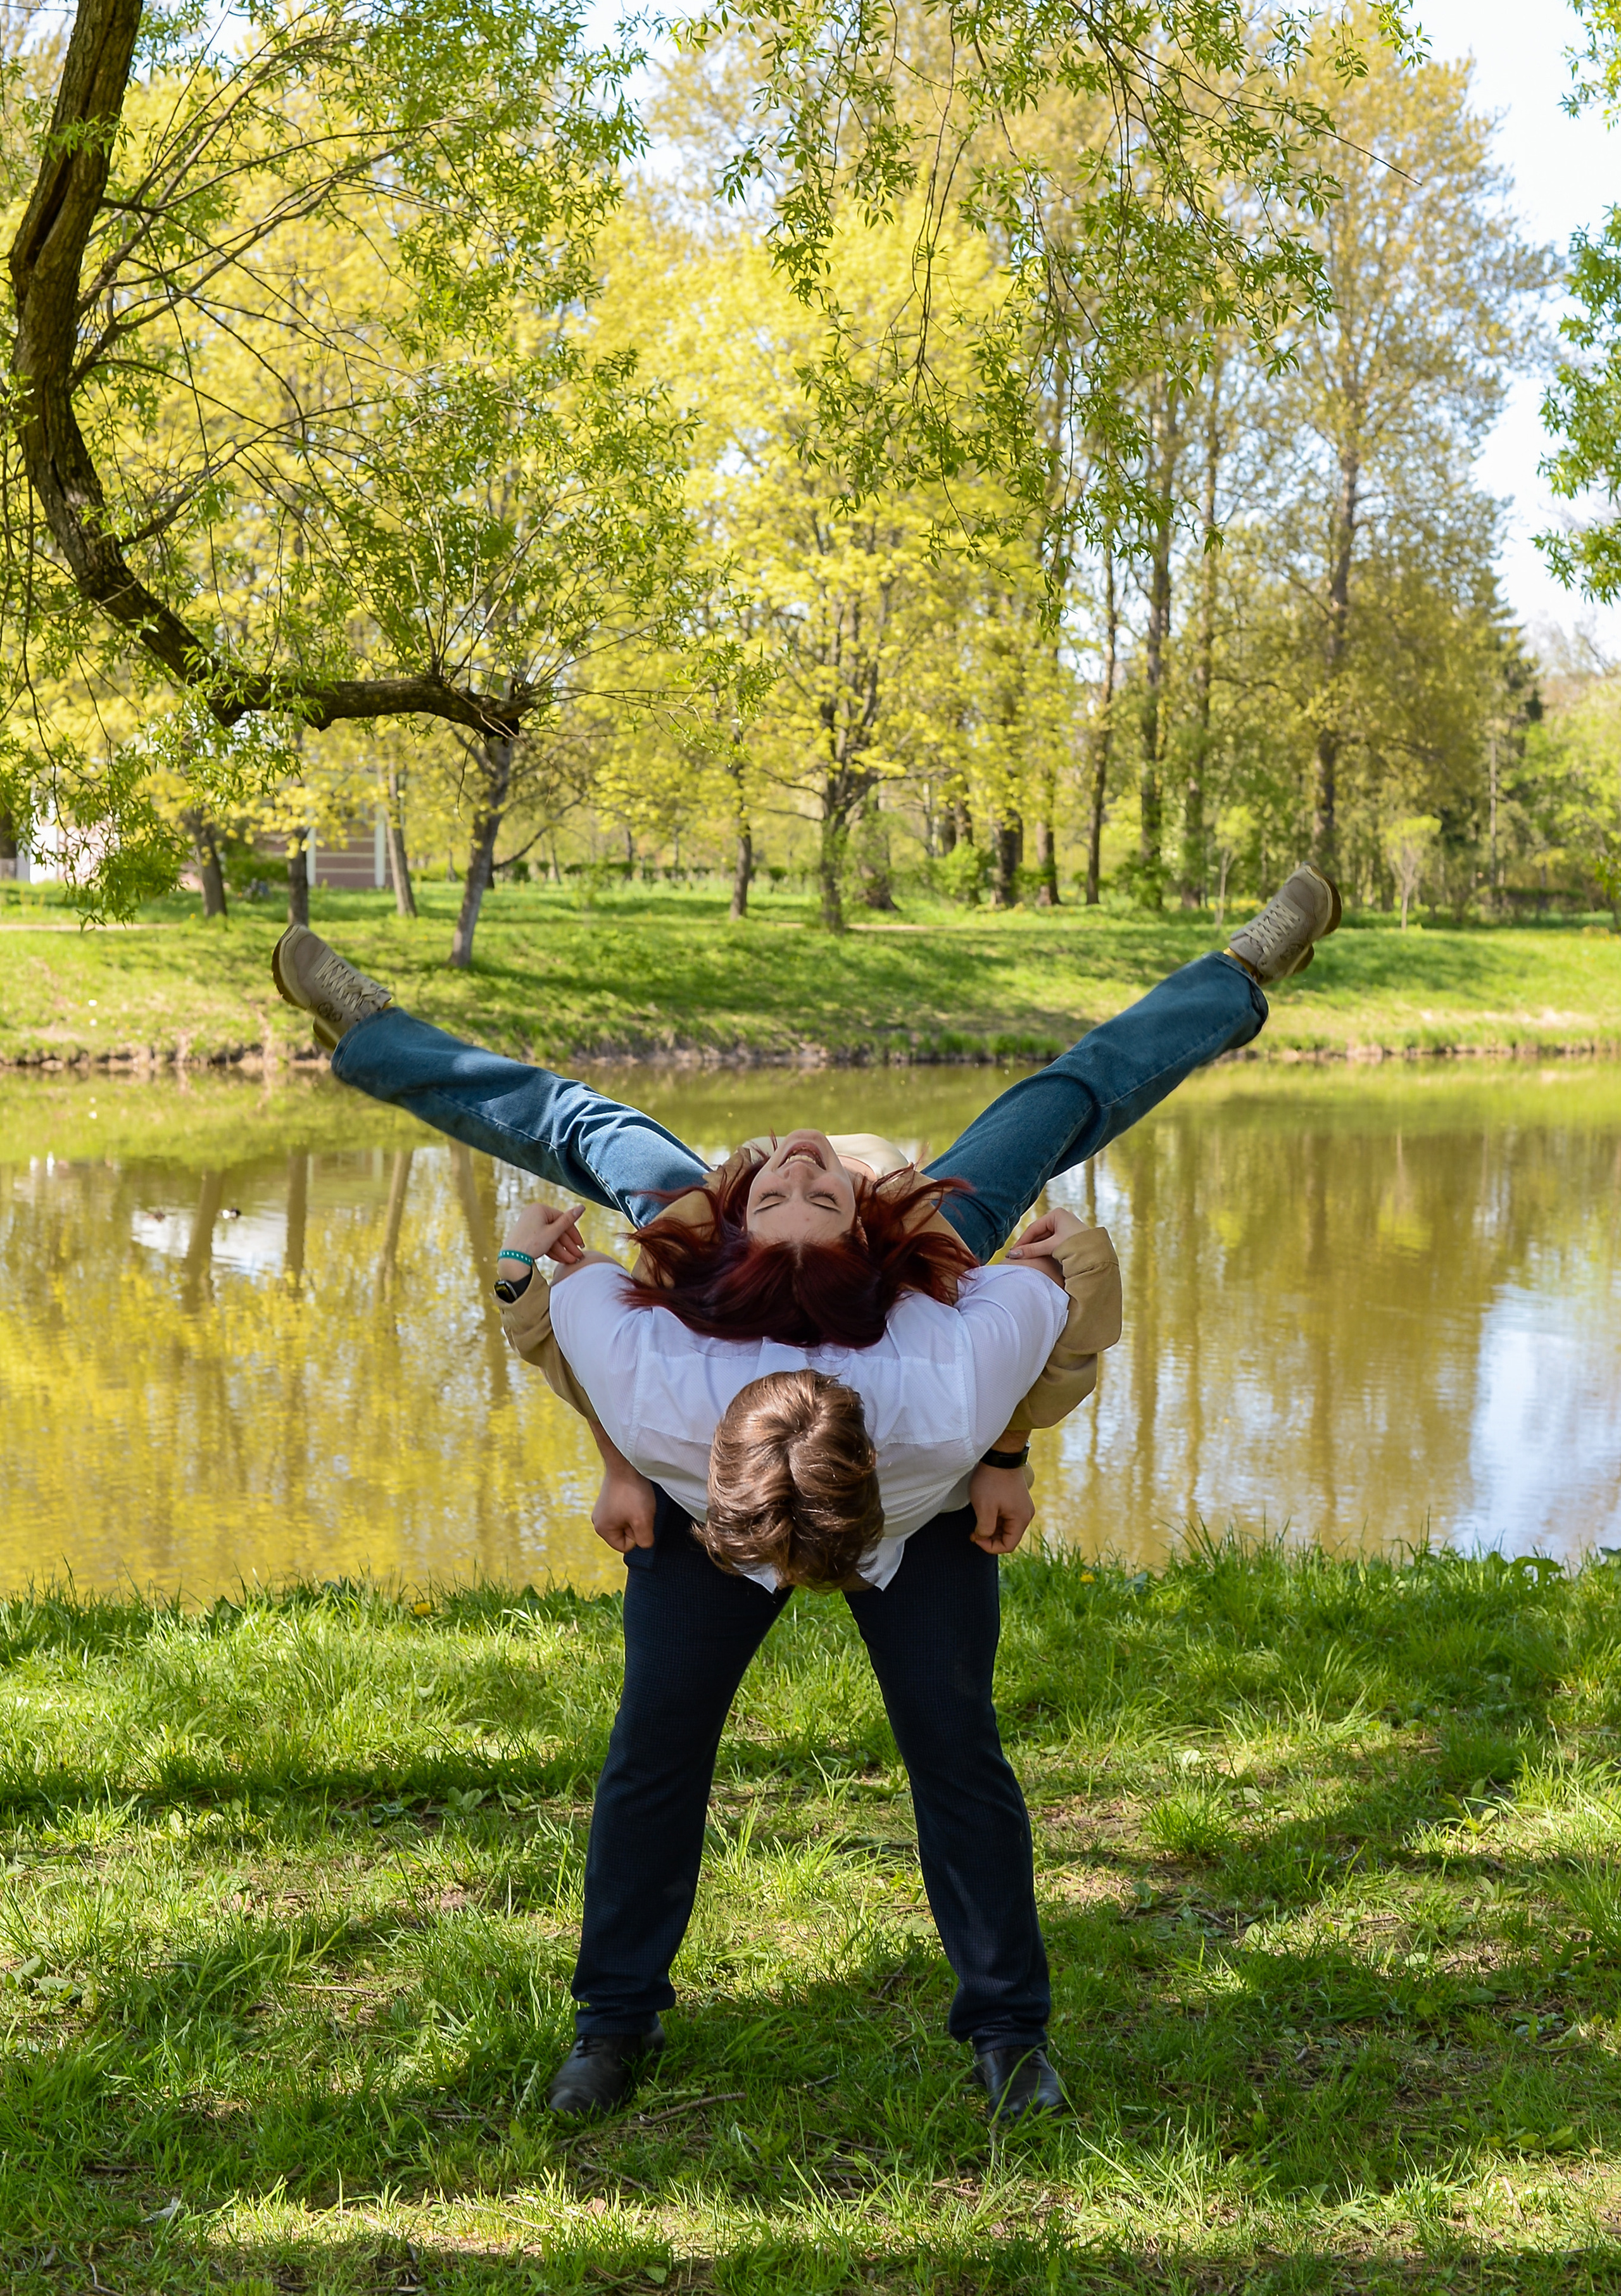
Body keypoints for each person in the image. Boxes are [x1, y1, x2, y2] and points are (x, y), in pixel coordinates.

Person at [269, 865, 1341, 2119]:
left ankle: (1010, 2035)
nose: (798, 1159)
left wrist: (1004, 1458)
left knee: (956, 1747)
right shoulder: (677, 1340)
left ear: (864, 1224)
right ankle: (613, 2024)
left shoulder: (940, 1337)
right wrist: (619, 1467)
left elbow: (1060, 1344)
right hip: (720, 1454)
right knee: (655, 1747)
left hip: (907, 1482)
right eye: (782, 1180)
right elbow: (566, 1344)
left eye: (817, 1182)